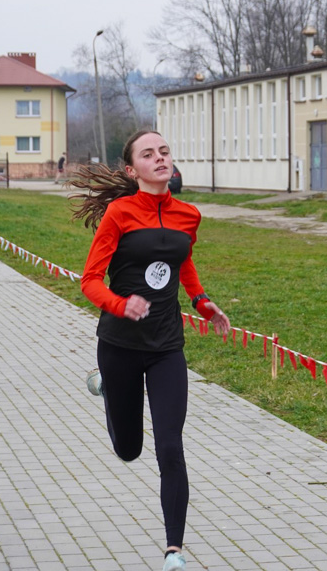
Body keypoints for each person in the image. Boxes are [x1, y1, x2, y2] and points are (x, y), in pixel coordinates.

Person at [72, 130, 230, 571]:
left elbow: (183, 262)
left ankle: (174, 551)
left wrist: (201, 301)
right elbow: (89, 280)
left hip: (166, 346)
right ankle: (108, 388)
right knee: (129, 450)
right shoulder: (119, 214)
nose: (159, 158)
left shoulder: (188, 214)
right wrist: (122, 305)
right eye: (148, 154)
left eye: (164, 151)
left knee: (171, 447)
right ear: (132, 169)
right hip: (120, 345)